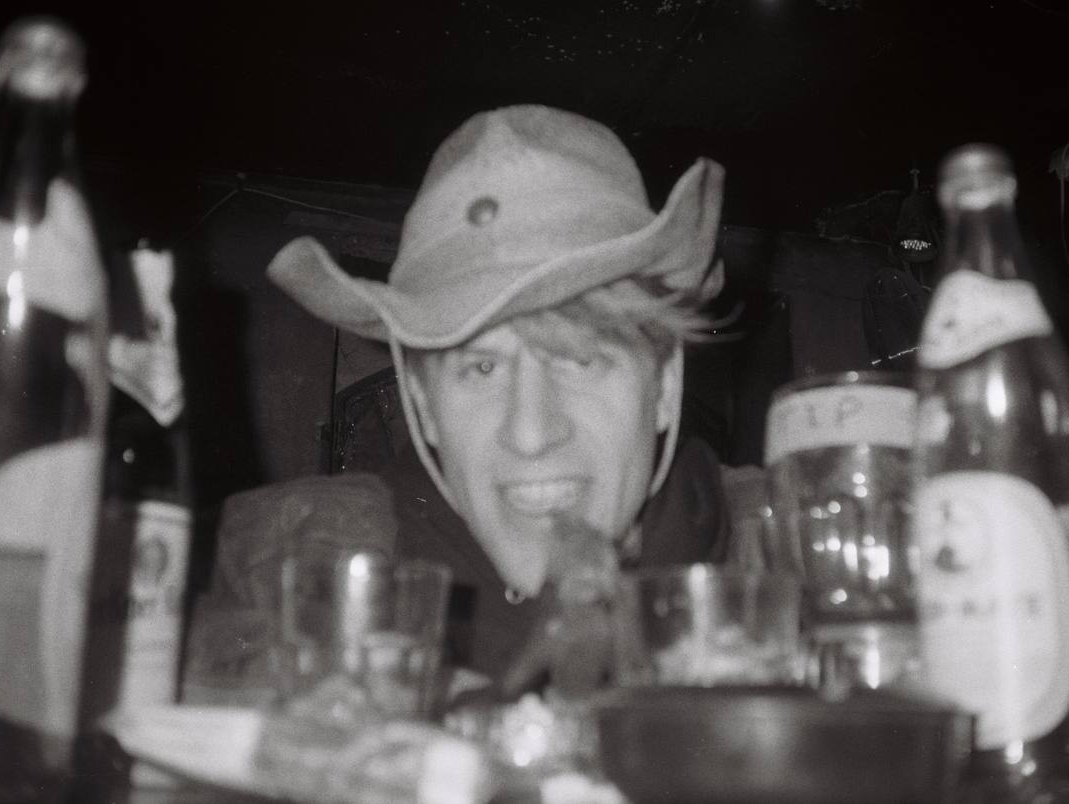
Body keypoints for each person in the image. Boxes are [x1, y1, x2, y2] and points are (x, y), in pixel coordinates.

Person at [185, 104, 763, 699]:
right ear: (425, 406)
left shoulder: (792, 556)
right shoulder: (284, 572)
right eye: (483, 367)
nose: (532, 433)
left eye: (583, 359)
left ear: (664, 388)